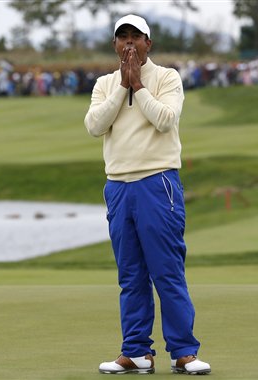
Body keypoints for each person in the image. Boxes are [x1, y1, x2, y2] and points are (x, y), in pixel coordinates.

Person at [84, 14, 210, 375]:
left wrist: (138, 86)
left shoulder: (167, 77)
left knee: (166, 270)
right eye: (122, 37)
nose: (128, 43)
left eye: (135, 37)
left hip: (158, 183)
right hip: (118, 186)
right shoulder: (105, 84)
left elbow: (166, 120)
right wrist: (123, 86)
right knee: (131, 275)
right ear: (114, 45)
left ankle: (184, 352)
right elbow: (95, 126)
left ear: (147, 43)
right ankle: (136, 352)